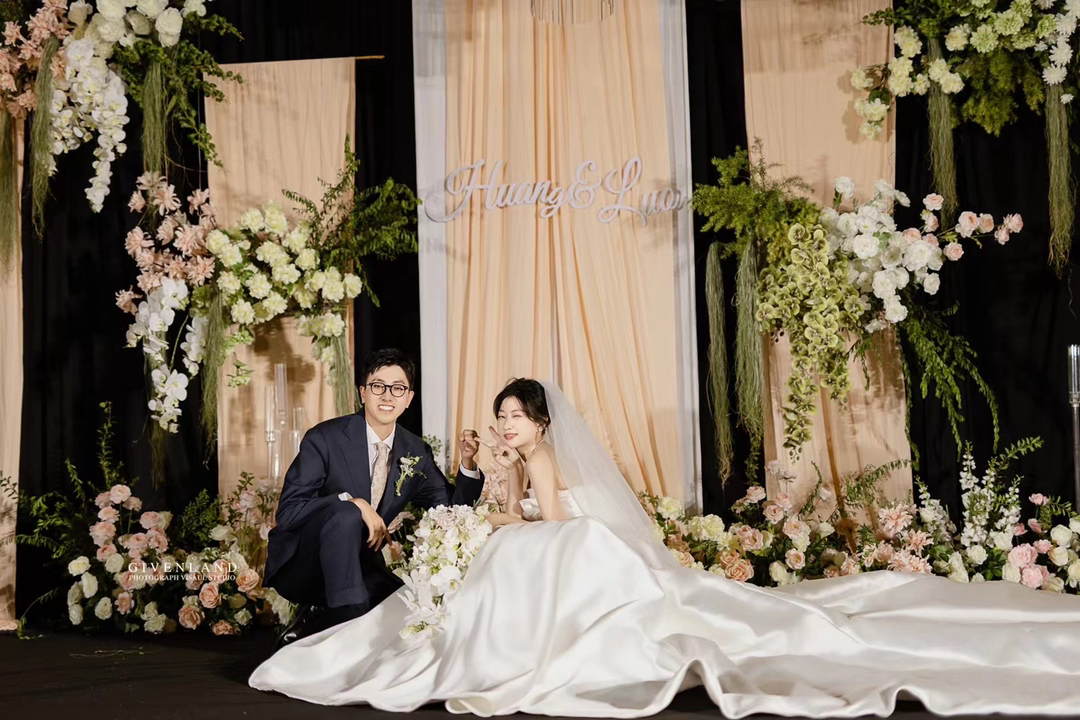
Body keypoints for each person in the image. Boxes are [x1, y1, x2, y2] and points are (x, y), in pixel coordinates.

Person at [252, 378, 1080, 717]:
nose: (506, 426)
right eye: (501, 416)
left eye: (515, 417)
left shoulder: (544, 456)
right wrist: (481, 501)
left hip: (569, 539)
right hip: (544, 532)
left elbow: (546, 520)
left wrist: (490, 522)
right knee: (500, 554)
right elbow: (502, 507)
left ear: (539, 422)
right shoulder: (512, 457)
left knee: (523, 558)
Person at [264, 349, 485, 646]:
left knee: (403, 616)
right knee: (346, 513)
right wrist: (353, 502)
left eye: (398, 388)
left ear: (409, 398)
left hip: (361, 566)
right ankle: (347, 630)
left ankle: (318, 616)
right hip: (306, 565)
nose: (387, 395)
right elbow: (288, 513)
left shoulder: (415, 451)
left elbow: (452, 510)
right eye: (378, 386)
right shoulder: (325, 438)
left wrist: (467, 463)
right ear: (363, 393)